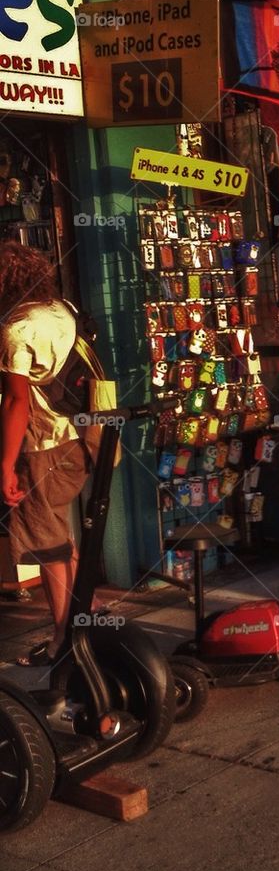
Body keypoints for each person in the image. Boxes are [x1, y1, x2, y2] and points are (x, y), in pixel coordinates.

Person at [0, 244, 93, 666]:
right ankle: (78, 626)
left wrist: (5, 466)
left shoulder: (15, 328)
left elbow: (16, 401)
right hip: (84, 436)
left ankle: (64, 643)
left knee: (50, 544)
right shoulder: (60, 308)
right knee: (59, 537)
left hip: (48, 444)